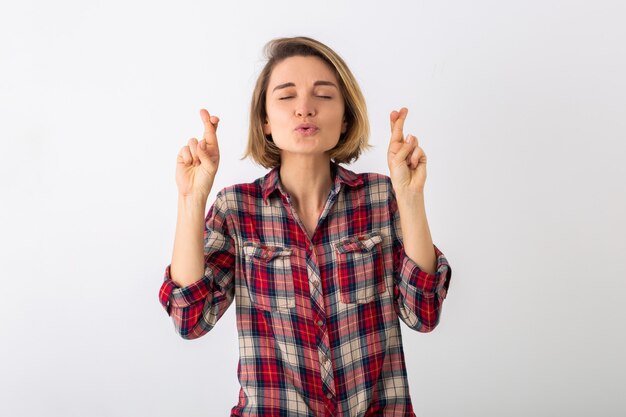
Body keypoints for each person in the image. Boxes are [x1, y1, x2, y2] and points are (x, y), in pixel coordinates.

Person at [158, 36, 452, 417]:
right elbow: (190, 320)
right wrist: (191, 199)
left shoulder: (382, 197)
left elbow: (423, 313)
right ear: (264, 120)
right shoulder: (236, 209)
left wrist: (410, 198)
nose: (305, 109)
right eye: (286, 96)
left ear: (345, 116)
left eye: (323, 95)